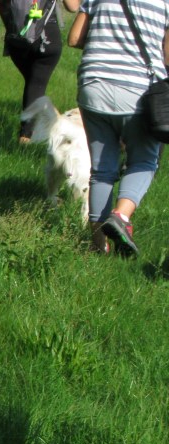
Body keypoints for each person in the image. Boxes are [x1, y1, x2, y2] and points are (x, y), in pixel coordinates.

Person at [67, 0, 168, 255]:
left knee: (101, 170)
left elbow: (75, 38)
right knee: (144, 161)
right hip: (138, 91)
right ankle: (121, 216)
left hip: (93, 86)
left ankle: (97, 246)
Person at [0, 0, 63, 142]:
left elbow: (1, 4)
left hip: (17, 39)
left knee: (34, 85)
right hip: (46, 39)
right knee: (36, 85)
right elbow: (73, 6)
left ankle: (51, 120)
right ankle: (26, 137)